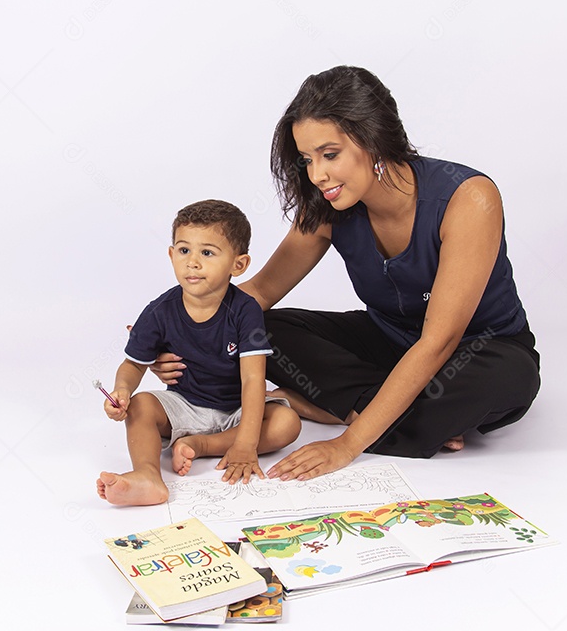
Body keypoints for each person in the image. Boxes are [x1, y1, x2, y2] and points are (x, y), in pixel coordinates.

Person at [147, 66, 540, 481]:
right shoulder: (327, 205)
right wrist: (175, 334)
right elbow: (259, 291)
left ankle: (345, 410)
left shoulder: (469, 198)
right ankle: (412, 418)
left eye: (329, 155)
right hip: (389, 342)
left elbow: (438, 341)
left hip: (475, 350)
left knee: (511, 377)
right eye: (307, 160)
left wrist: (347, 446)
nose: (317, 175)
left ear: (374, 138)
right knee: (258, 325)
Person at [96, 200, 302, 506]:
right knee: (141, 406)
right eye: (183, 251)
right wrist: (122, 391)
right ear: (171, 255)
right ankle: (148, 475)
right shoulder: (159, 311)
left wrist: (247, 442)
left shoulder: (244, 310)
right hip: (184, 404)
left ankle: (202, 444)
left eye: (207, 252)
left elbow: (253, 379)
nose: (192, 262)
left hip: (237, 409)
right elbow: (132, 365)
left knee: (288, 423)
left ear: (238, 264)